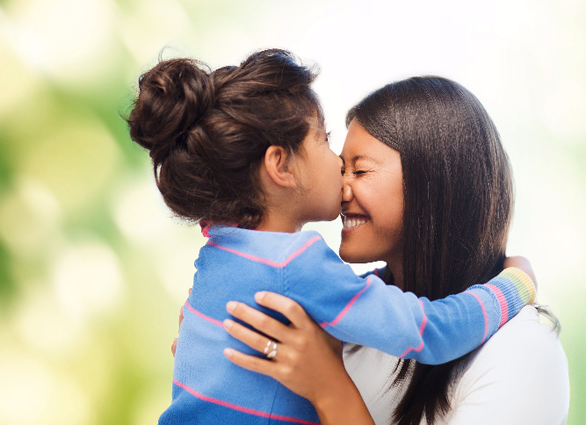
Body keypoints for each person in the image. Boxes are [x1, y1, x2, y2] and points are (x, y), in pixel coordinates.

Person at [127, 50, 536, 425]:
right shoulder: (297, 262)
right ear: (280, 166)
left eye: (361, 169)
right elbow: (432, 331)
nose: (340, 170)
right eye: (324, 140)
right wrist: (515, 284)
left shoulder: (219, 250)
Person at [223, 76, 570, 424]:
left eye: (360, 170)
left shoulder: (523, 350)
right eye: (342, 169)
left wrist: (329, 388)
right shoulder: (343, 326)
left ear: (434, 183)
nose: (340, 189)